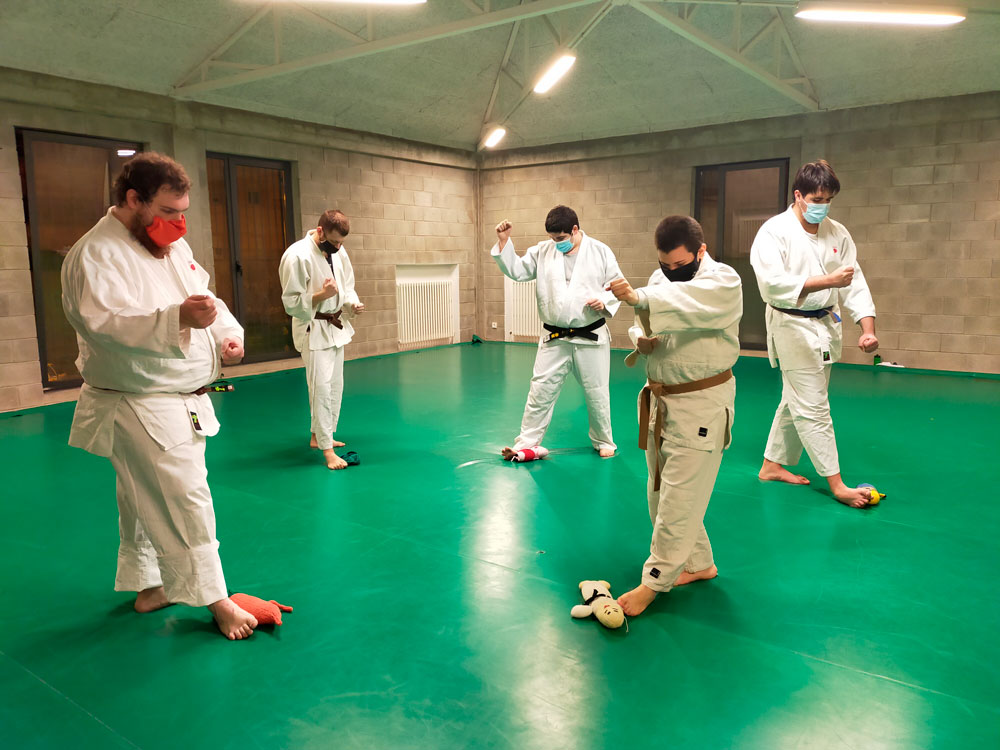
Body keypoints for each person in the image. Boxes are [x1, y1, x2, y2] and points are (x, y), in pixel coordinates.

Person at [61, 152, 257, 640]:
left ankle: (151, 586)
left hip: (177, 396)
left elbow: (206, 298)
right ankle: (217, 601)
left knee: (140, 496)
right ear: (134, 199)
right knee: (185, 499)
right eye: (169, 210)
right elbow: (104, 324)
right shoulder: (96, 255)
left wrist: (226, 337)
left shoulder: (167, 242)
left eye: (182, 211)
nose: (179, 221)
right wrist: (177, 321)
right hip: (138, 399)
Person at [607, 216, 742, 617]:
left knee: (680, 498)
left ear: (700, 251)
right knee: (661, 491)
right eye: (664, 265)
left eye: (680, 265)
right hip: (661, 400)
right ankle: (699, 565)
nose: (671, 272)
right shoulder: (661, 277)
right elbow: (643, 319)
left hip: (700, 402)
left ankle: (655, 581)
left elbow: (690, 307)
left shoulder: (724, 281)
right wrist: (640, 337)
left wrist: (643, 300)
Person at [750, 160, 879, 508]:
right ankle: (837, 484)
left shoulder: (837, 233)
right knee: (814, 406)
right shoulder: (774, 232)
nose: (823, 205)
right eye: (817, 198)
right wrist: (827, 281)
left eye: (829, 199)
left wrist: (866, 328)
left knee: (797, 400)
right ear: (799, 195)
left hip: (825, 323)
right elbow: (772, 285)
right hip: (790, 324)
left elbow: (855, 282)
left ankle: (771, 465)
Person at [491, 206, 622, 460]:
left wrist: (604, 301)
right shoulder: (543, 250)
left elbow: (616, 284)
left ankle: (604, 440)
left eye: (560, 238)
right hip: (554, 337)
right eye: (552, 238)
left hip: (590, 337)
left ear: (574, 230)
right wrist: (504, 242)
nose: (556, 243)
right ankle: (526, 442)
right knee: (540, 390)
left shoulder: (600, 251)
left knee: (596, 392)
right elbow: (518, 271)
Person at [279, 210, 364, 470]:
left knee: (335, 386)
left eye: (341, 242)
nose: (338, 247)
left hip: (336, 327)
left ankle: (319, 436)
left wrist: (352, 303)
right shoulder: (296, 256)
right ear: (320, 231)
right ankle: (327, 452)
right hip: (313, 329)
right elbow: (291, 303)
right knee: (321, 389)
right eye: (334, 241)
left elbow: (347, 284)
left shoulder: (339, 251)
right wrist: (321, 294)